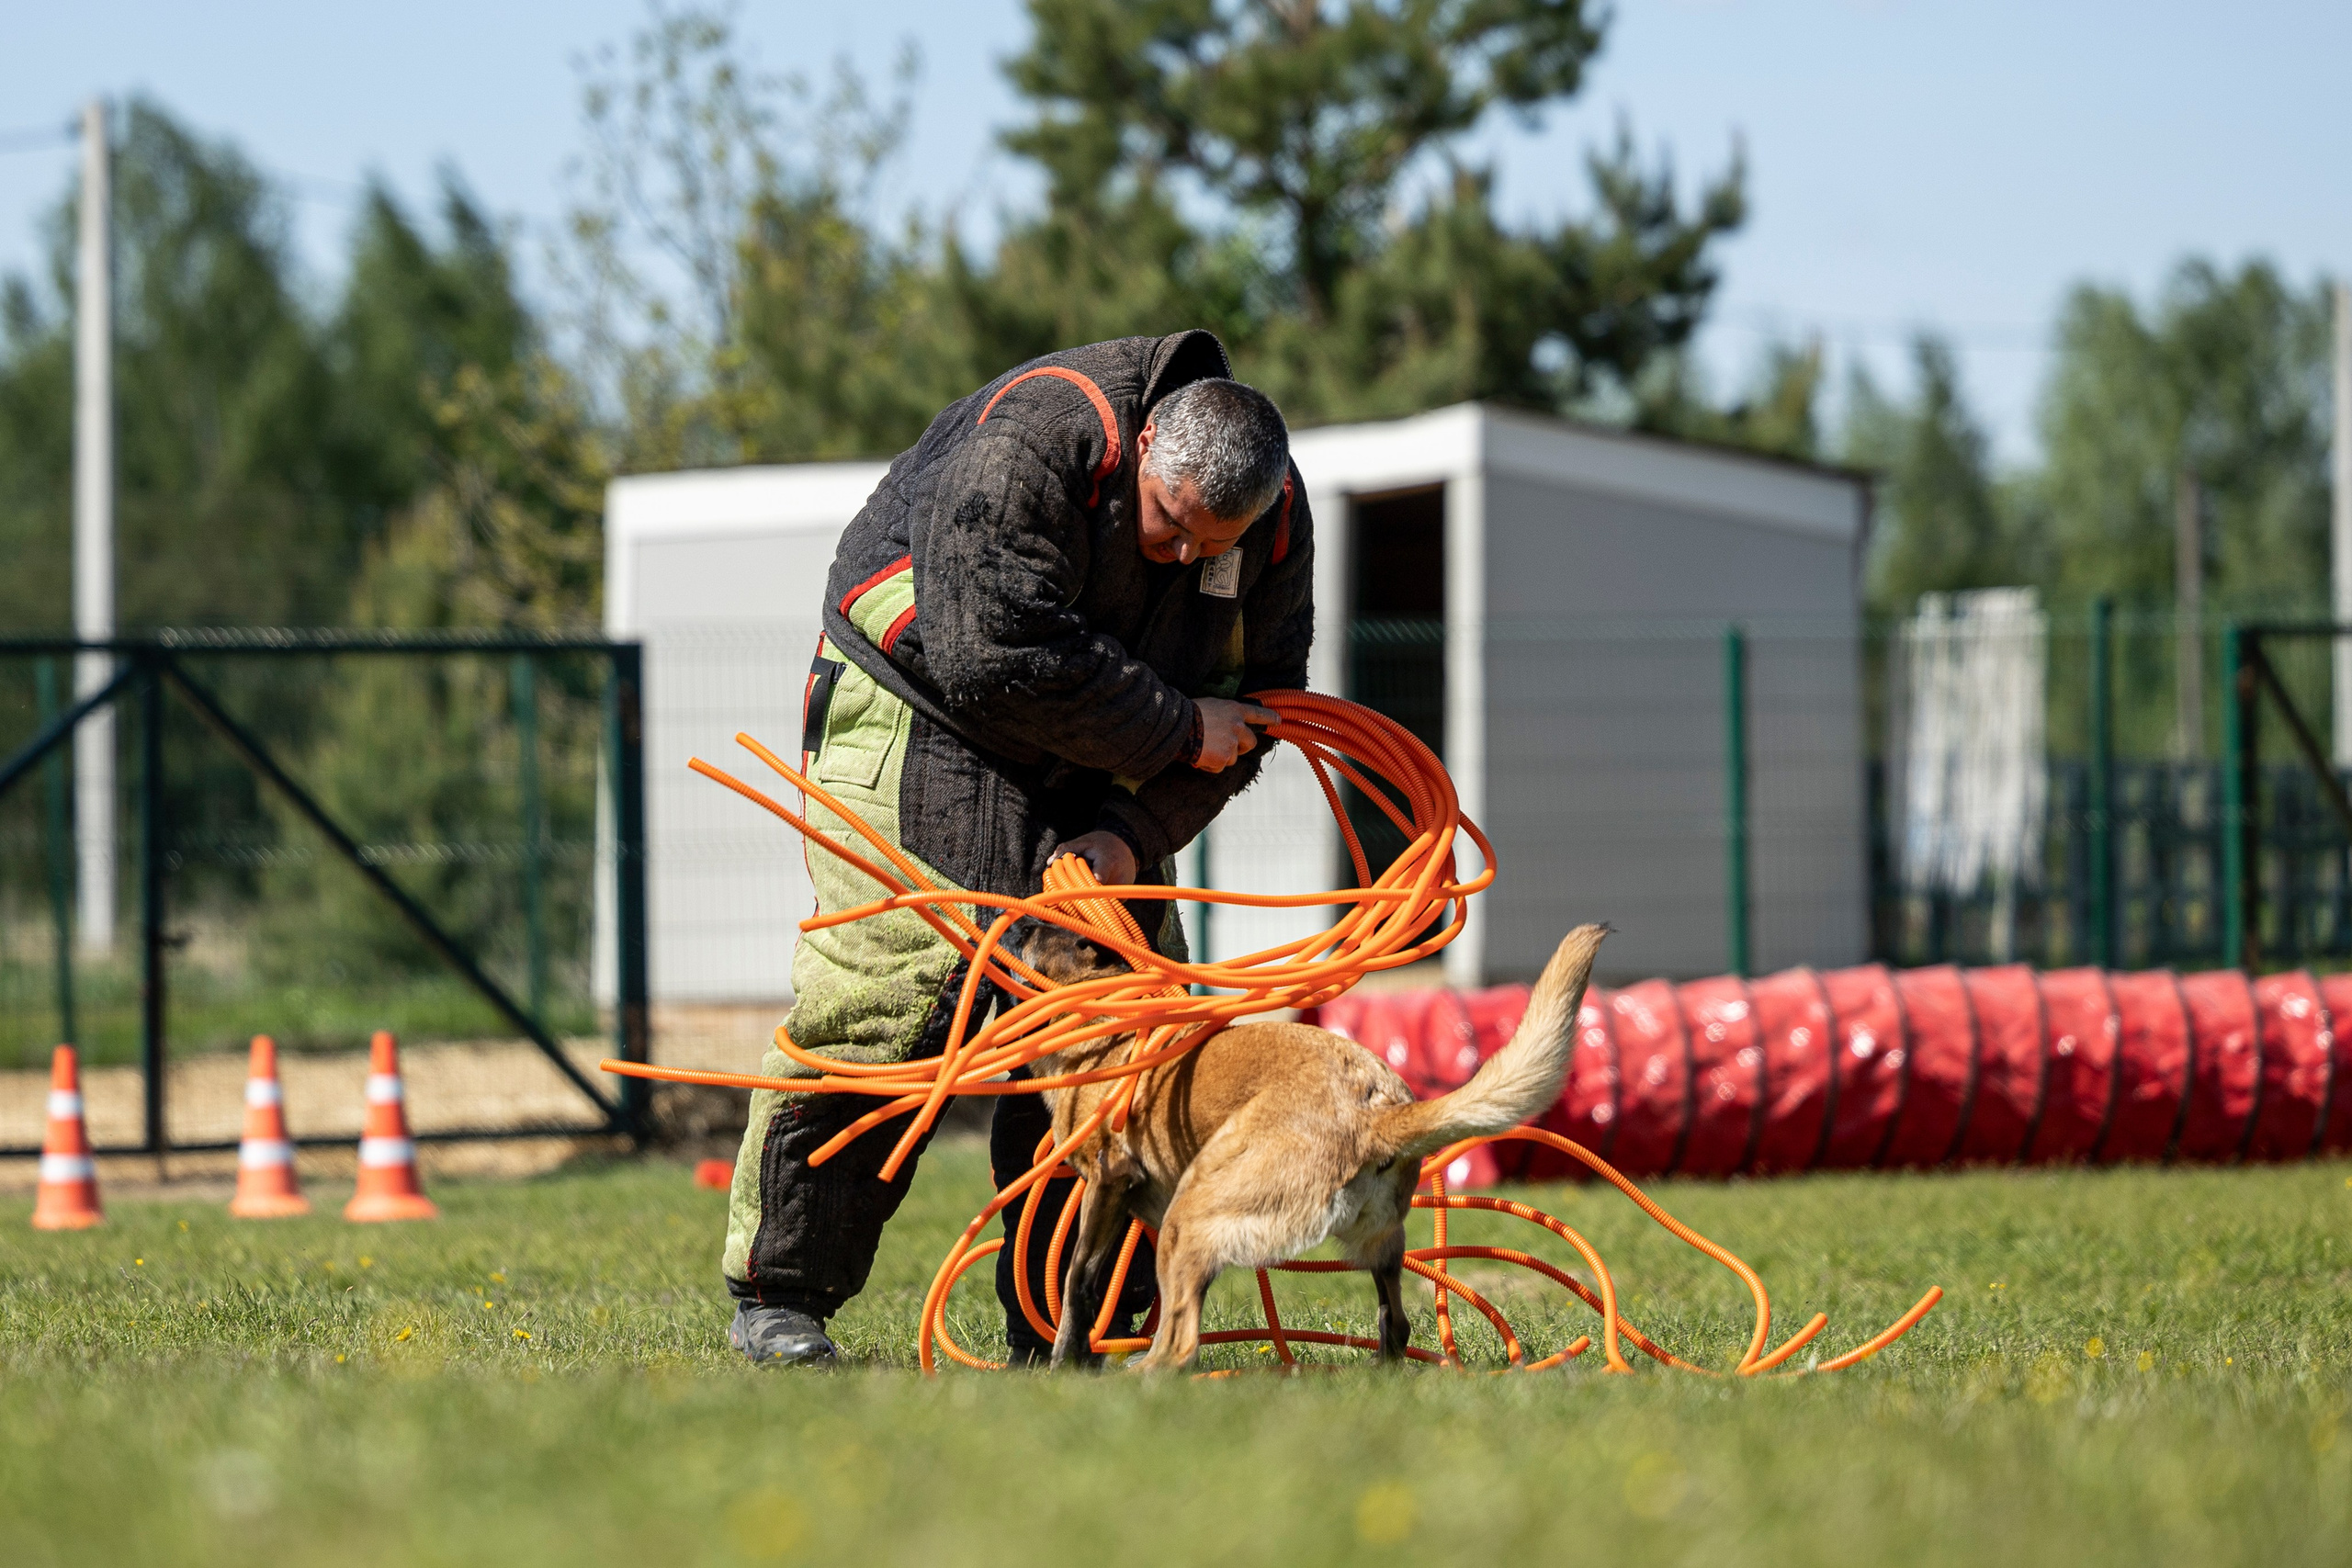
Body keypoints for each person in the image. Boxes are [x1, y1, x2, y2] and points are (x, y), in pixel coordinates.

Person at [722, 329, 1316, 1367]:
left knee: (1115, 1028)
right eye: (1170, 526)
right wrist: (1176, 728)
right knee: (897, 998)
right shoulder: (1040, 437)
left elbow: (1256, 713)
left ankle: (1081, 1329)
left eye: (1208, 545)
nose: (1183, 557)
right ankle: (782, 1300)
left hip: (1112, 729)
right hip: (926, 705)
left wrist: (1133, 834)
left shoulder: (1265, 522)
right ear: (1139, 452)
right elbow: (990, 653)